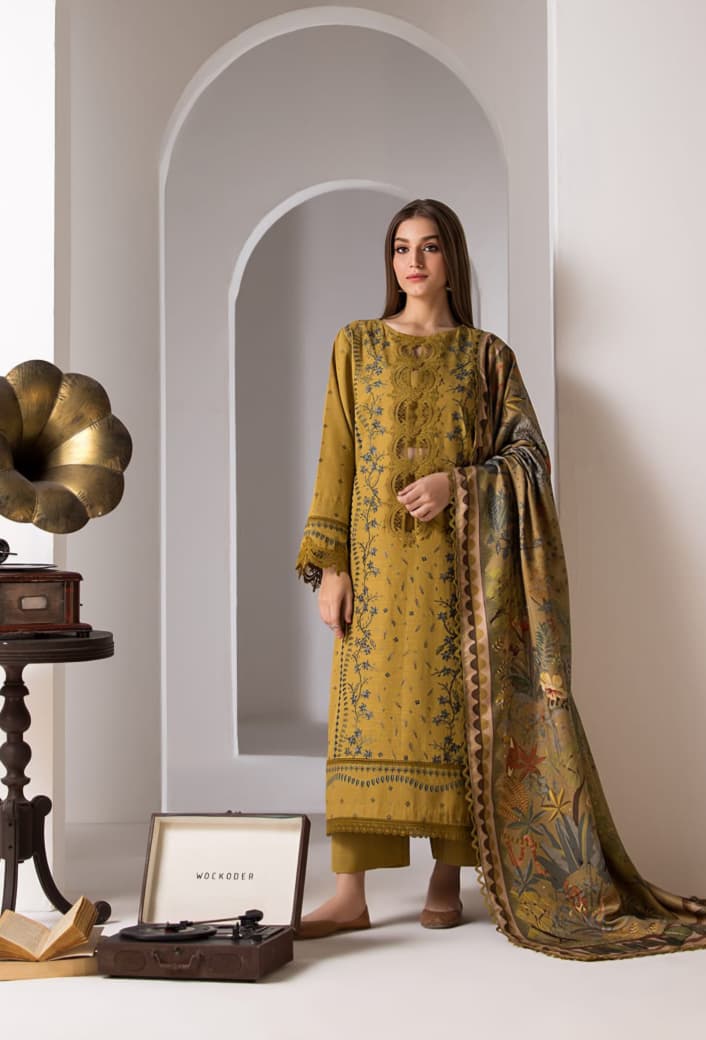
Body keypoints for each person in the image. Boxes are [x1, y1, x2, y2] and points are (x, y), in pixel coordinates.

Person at [295, 198, 706, 959]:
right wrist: (331, 567)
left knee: (460, 716)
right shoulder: (356, 344)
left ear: (452, 259)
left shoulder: (487, 357)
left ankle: (448, 877)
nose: (413, 262)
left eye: (428, 248)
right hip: (377, 575)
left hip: (459, 575)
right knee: (362, 720)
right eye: (400, 248)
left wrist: (456, 485)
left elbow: (527, 458)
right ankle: (349, 894)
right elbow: (337, 459)